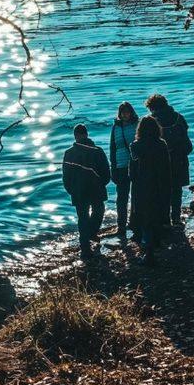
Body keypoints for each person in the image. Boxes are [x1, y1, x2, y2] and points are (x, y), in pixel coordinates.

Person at [62, 123, 111, 258]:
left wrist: (71, 190)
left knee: (83, 218)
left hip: (79, 191)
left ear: (75, 136)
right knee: (98, 211)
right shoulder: (98, 150)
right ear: (86, 134)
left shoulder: (69, 153)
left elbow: (66, 177)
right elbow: (106, 172)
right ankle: (91, 234)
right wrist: (102, 184)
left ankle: (85, 248)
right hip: (96, 189)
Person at [129, 116, 173, 266]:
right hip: (159, 185)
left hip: (141, 187)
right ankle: (156, 244)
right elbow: (167, 168)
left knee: (144, 218)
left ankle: (148, 251)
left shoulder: (135, 146)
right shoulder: (161, 144)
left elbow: (132, 172)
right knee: (157, 215)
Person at [144, 94, 192, 227]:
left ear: (152, 107)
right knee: (177, 190)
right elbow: (187, 144)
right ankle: (176, 218)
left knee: (161, 191)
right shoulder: (178, 117)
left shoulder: (151, 121)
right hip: (179, 159)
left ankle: (164, 219)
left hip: (161, 162)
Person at [109, 102, 139, 243]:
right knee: (121, 198)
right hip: (120, 166)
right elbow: (112, 148)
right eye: (123, 112)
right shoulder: (115, 127)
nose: (125, 114)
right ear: (119, 114)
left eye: (127, 112)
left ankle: (136, 223)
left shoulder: (137, 125)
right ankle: (121, 226)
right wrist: (112, 168)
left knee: (137, 196)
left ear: (131, 112)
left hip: (136, 165)